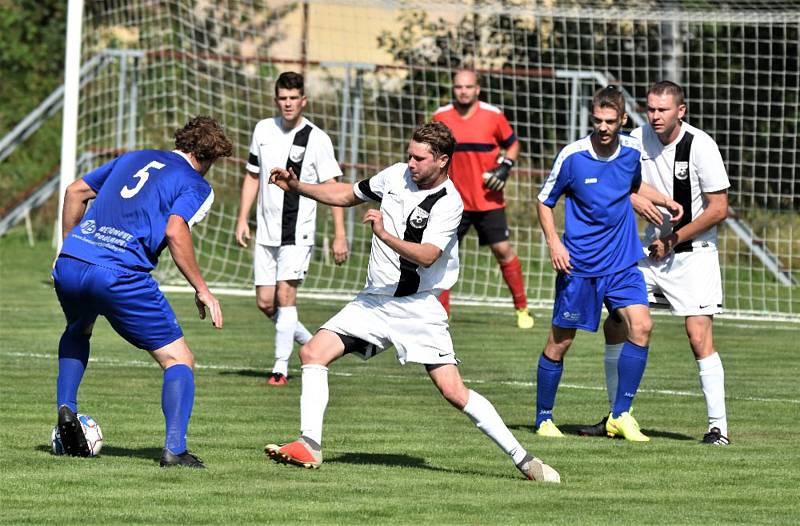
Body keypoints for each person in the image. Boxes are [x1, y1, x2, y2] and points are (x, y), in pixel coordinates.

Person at [264, 122, 560, 482]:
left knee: (453, 390)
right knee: (312, 352)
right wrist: (297, 187)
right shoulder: (394, 176)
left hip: (418, 307)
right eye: (409, 155)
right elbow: (345, 194)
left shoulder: (450, 202)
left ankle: (525, 460)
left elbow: (427, 256)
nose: (410, 163)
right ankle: (309, 444)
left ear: (442, 161)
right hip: (373, 301)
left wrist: (384, 234)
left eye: (419, 158)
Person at [52, 116, 233, 467]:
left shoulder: (134, 156)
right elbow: (176, 230)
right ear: (207, 158)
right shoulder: (195, 183)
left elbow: (75, 191)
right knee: (178, 359)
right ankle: (175, 450)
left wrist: (69, 247)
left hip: (73, 262)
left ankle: (66, 411)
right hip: (119, 273)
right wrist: (203, 290)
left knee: (78, 329)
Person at [581, 81, 732, 445]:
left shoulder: (701, 145)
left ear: (681, 111)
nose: (655, 116)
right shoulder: (633, 140)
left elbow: (719, 208)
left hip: (691, 255)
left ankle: (718, 428)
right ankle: (619, 416)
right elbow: (614, 183)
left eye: (663, 110)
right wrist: (633, 201)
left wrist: (674, 238)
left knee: (698, 337)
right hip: (648, 254)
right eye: (650, 109)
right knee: (616, 324)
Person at [535, 86, 682, 442]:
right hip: (580, 266)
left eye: (610, 121)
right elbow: (544, 201)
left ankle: (620, 415)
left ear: (622, 120)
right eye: (598, 121)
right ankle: (543, 418)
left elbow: (632, 186)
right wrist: (555, 243)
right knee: (561, 342)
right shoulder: (572, 156)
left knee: (642, 326)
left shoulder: (632, 151)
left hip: (621, 263)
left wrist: (664, 200)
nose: (603, 127)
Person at [235, 71, 348, 386]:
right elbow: (253, 175)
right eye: (282, 99)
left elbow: (332, 187)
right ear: (276, 100)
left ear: (303, 101)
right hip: (266, 230)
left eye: (293, 99)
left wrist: (339, 235)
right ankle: (312, 344)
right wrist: (243, 218)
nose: (287, 104)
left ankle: (280, 369)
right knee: (265, 302)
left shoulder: (317, 138)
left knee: (286, 297)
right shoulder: (263, 129)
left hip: (298, 231)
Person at [432, 68, 534, 329]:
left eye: (468, 87)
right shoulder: (441, 117)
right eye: (458, 87)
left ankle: (522, 308)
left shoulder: (493, 116)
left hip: (488, 199)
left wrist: (506, 166)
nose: (463, 91)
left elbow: (513, 144)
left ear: (477, 89)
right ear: (453, 89)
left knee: (503, 250)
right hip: (452, 201)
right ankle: (441, 313)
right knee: (443, 254)